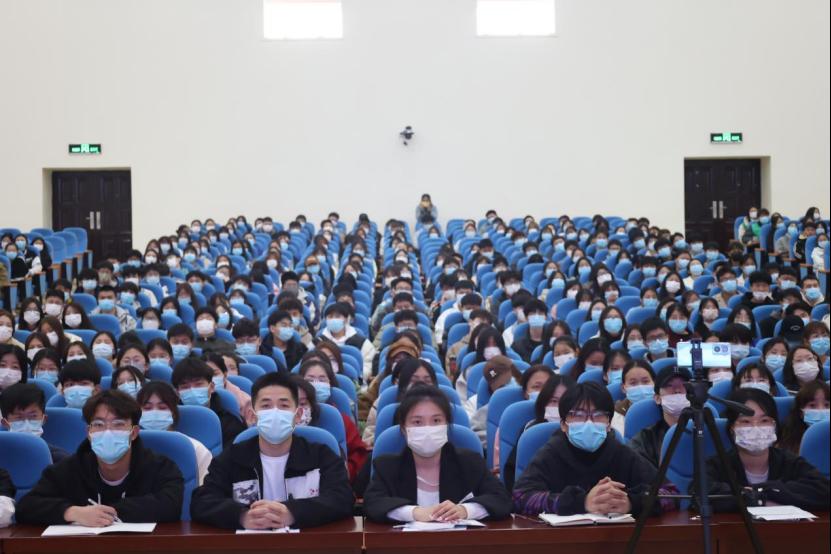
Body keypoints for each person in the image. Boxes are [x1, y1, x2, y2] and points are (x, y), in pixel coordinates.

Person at [190, 372, 354, 529]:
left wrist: (293, 512)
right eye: (266, 405)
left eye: (284, 405)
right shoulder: (232, 457)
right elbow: (202, 502)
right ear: (253, 415)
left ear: (297, 415)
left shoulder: (321, 455)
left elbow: (343, 498)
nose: (275, 412)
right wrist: (242, 516)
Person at [16, 390, 184, 525]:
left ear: (133, 433)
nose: (108, 432)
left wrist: (108, 512)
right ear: (89, 433)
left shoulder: (161, 467)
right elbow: (26, 507)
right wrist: (72, 512)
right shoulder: (68, 469)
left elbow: (171, 506)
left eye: (118, 424)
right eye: (98, 424)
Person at [363, 384, 511, 523]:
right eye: (417, 422)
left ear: (447, 425)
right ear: (403, 428)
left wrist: (465, 510)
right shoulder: (387, 467)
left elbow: (501, 499)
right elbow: (372, 503)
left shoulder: (470, 462)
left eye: (436, 420)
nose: (428, 428)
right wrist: (414, 513)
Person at [512, 382, 665, 516]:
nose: (589, 423)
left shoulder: (621, 453)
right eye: (578, 415)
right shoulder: (551, 453)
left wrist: (632, 503)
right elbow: (519, 498)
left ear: (609, 424)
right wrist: (582, 502)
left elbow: (670, 493)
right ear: (564, 424)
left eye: (598, 415)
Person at [702, 388, 829, 512]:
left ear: (774, 426)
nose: (756, 428)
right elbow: (700, 492)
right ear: (732, 428)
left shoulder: (789, 461)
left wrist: (763, 491)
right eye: (746, 421)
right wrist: (759, 499)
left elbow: (823, 490)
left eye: (764, 420)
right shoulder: (717, 464)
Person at [137, 381, 213, 485]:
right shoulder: (128, 447)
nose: (154, 413)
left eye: (162, 408)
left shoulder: (194, 448)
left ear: (173, 412)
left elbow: (207, 490)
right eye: (147, 408)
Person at [171, 357, 245, 448]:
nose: (192, 390)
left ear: (212, 387)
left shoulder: (230, 422)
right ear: (177, 393)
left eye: (198, 384)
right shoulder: (170, 420)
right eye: (185, 387)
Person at [629, 366, 691, 471]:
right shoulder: (645, 440)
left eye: (684, 385)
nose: (677, 390)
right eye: (669, 386)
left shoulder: (706, 431)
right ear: (657, 398)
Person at [0, 382, 70, 463]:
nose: (26, 424)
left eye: (33, 416)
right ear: (5, 423)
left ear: (44, 419)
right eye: (19, 418)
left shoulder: (59, 458)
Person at [778, 381, 830, 454]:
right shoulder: (788, 444)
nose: (821, 410)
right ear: (801, 412)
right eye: (812, 405)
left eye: (827, 405)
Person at [610, 360, 656, 436]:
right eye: (633, 383)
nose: (640, 387)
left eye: (645, 381)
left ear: (655, 383)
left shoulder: (665, 409)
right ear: (623, 388)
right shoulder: (616, 415)